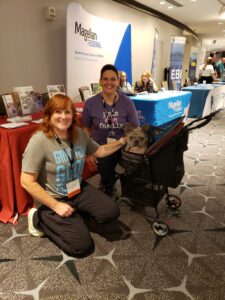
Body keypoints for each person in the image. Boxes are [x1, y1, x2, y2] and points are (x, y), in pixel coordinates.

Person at [20, 93, 128, 258]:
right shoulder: (39, 141)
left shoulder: (79, 134)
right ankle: (38, 218)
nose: (63, 117)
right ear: (48, 116)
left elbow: (98, 151)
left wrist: (121, 142)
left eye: (68, 112)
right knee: (81, 247)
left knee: (111, 212)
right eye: (58, 112)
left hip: (78, 189)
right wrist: (56, 206)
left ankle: (73, 216)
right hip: (55, 197)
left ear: (73, 115)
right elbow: (26, 182)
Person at [82, 64, 139, 197]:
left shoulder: (127, 102)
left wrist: (130, 144)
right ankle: (107, 186)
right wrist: (89, 151)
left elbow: (136, 128)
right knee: (107, 174)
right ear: (100, 81)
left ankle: (127, 190)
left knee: (130, 171)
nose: (109, 82)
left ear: (118, 81)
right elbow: (86, 129)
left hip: (122, 145)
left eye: (113, 79)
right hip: (101, 148)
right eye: (105, 79)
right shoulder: (90, 103)